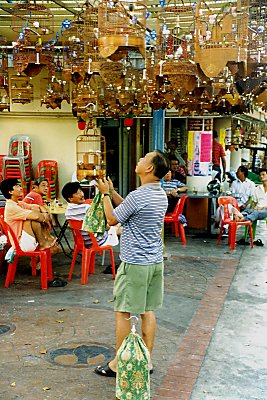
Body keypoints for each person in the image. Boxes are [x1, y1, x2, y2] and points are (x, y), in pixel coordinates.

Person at [94, 150, 169, 378]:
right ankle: (146, 361)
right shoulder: (159, 195)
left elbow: (111, 219)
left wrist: (105, 195)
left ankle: (119, 363)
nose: (139, 159)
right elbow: (128, 207)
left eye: (144, 158)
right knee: (147, 310)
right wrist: (114, 193)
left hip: (135, 263)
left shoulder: (139, 195)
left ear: (149, 168)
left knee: (123, 312)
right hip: (154, 262)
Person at [0, 178, 57, 253]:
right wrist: (45, 216)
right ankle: (43, 241)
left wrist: (44, 214)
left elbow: (39, 207)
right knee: (30, 219)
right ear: (11, 192)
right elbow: (37, 216)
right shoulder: (11, 207)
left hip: (27, 239)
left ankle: (44, 241)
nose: (21, 188)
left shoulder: (19, 203)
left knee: (34, 212)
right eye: (17, 186)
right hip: (21, 244)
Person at [61, 182, 119, 247]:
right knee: (117, 227)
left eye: (81, 191)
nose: (82, 194)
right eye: (77, 193)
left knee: (115, 227)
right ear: (70, 198)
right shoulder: (87, 208)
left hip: (82, 242)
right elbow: (103, 227)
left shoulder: (68, 211)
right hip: (96, 242)